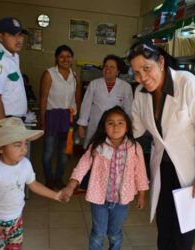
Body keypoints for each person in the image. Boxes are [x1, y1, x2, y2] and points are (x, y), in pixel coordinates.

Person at [128, 41, 195, 250]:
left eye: (146, 68)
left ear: (160, 62)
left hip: (192, 172)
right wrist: (112, 133)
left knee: (183, 234)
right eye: (136, 73)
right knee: (165, 227)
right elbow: (135, 129)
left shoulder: (188, 84)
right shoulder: (141, 94)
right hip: (164, 169)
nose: (143, 77)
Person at [62, 106, 149, 250]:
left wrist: (142, 195)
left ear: (127, 127)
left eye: (120, 122)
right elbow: (82, 165)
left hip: (122, 201)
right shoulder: (97, 146)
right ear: (104, 127)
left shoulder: (134, 147)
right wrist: (71, 185)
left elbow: (140, 172)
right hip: (99, 199)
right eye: (110, 123)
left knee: (115, 233)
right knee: (98, 232)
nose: (116, 126)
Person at [0, 117, 61, 249]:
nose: (24, 149)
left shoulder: (25, 164)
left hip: (16, 221)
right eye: (17, 145)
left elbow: (34, 185)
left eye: (25, 143)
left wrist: (55, 195)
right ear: (0, 148)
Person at [39, 45, 81, 190]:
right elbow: (43, 99)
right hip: (52, 116)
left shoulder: (75, 76)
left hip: (69, 118)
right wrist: (43, 122)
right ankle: (49, 179)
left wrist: (78, 120)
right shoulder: (49, 74)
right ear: (56, 58)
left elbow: (77, 98)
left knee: (65, 153)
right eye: (62, 56)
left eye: (68, 56)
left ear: (72, 58)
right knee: (48, 152)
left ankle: (58, 178)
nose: (65, 59)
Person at [77, 55, 133, 149]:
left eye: (112, 67)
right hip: (95, 125)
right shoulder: (94, 84)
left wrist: (129, 128)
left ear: (118, 71)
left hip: (115, 128)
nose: (107, 69)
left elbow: (128, 109)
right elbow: (86, 105)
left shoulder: (126, 87)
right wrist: (81, 125)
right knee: (93, 151)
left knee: (111, 154)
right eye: (105, 66)